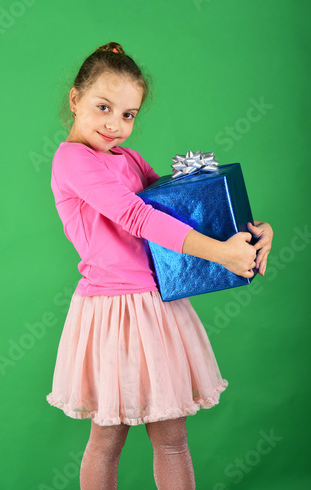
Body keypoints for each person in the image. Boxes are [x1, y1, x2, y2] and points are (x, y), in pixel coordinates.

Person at [46, 41, 273, 490]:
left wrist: (251, 228)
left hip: (159, 306)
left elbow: (177, 205)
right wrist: (222, 252)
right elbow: (139, 217)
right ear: (75, 99)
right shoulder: (71, 159)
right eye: (104, 107)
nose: (115, 124)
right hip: (112, 311)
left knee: (172, 437)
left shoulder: (127, 158)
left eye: (128, 115)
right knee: (107, 439)